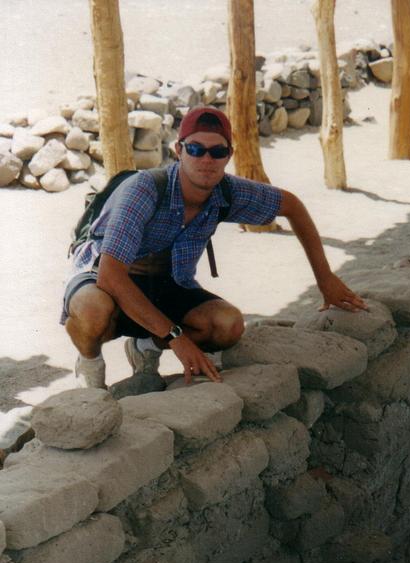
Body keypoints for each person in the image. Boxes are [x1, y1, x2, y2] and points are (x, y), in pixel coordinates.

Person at [61, 106, 367, 390]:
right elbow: (110, 276)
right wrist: (176, 337)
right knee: (92, 311)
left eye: (217, 151)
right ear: (179, 150)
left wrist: (325, 279)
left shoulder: (228, 192)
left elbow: (292, 206)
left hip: (168, 284)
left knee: (228, 326)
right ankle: (91, 368)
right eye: (195, 149)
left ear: (229, 155)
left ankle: (146, 347)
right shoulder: (145, 189)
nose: (206, 160)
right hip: (107, 278)